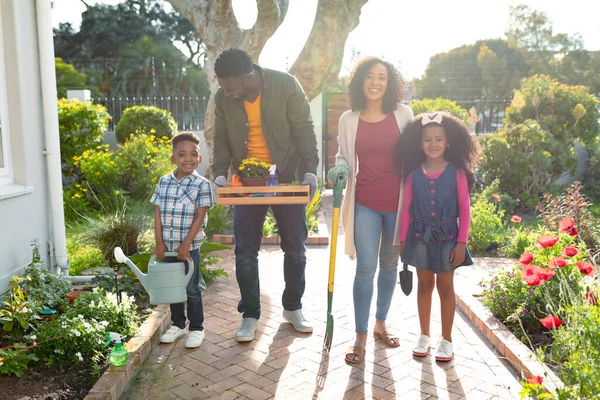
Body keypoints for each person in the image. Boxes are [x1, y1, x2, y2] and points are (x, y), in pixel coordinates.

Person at [211, 48, 319, 342]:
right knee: (245, 251)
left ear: (248, 77)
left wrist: (310, 172)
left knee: (295, 248)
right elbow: (220, 138)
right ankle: (249, 314)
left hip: (286, 177)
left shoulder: (285, 85)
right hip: (245, 182)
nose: (228, 94)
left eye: (231, 88)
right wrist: (219, 172)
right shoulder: (223, 98)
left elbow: (304, 130)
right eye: (224, 88)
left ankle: (293, 307)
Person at [328, 57, 413, 364]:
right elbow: (342, 157)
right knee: (366, 268)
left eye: (382, 77)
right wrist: (337, 170)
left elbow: (414, 157)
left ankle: (380, 322)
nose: (375, 82)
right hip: (364, 200)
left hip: (398, 202)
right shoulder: (349, 119)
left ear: (390, 83)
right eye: (369, 76)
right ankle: (360, 334)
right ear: (360, 81)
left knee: (390, 263)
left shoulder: (403, 114)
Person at [397, 112, 479, 361]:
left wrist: (461, 242)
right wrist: (402, 241)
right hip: (420, 237)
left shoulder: (458, 173)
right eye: (427, 140)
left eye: (439, 139)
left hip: (448, 240)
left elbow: (465, 209)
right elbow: (406, 210)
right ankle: (424, 335)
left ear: (448, 142)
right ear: (419, 144)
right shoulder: (412, 174)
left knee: (445, 287)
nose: (433, 144)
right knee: (424, 286)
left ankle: (447, 340)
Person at [151, 132, 214, 348]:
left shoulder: (202, 184)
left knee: (191, 289)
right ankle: (178, 325)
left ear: (200, 158)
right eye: (182, 154)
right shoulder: (163, 182)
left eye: (193, 154)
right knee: (174, 287)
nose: (188, 159)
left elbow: (200, 215)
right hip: (167, 248)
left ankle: (197, 328)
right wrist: (159, 242)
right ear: (173, 158)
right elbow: (157, 213)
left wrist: (186, 244)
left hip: (189, 249)